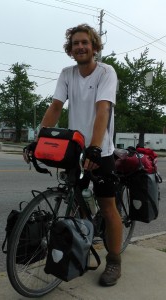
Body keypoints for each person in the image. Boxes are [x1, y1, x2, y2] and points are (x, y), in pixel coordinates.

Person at [24, 23, 122, 286]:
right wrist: (39, 138)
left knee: (107, 206)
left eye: (85, 42)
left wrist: (96, 147)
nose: (80, 47)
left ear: (94, 47)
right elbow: (56, 107)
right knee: (75, 201)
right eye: (75, 43)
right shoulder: (67, 74)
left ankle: (114, 261)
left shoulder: (106, 72)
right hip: (75, 148)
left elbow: (102, 110)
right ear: (70, 49)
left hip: (100, 150)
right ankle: (80, 244)